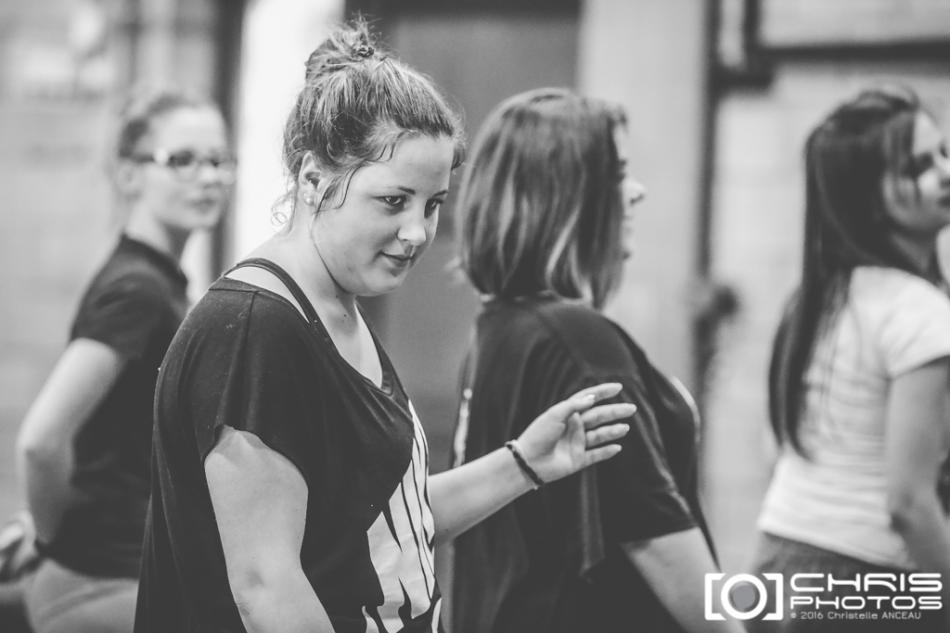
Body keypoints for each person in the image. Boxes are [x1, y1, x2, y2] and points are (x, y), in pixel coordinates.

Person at [133, 22, 633, 633]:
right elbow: (266, 587)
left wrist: (523, 463)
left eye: (433, 204)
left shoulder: (337, 305)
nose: (418, 232)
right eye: (394, 201)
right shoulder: (254, 328)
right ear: (313, 180)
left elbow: (386, 526)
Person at [450, 88, 743, 633]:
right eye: (620, 175)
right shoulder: (578, 340)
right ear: (570, 199)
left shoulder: (499, 328)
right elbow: (652, 533)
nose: (637, 192)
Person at [13, 88, 234, 633]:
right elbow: (41, 442)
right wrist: (56, 542)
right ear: (129, 174)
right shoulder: (138, 290)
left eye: (217, 160)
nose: (208, 177)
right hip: (103, 582)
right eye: (182, 160)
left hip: (129, 573)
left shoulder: (158, 283)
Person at [750, 86, 950, 632]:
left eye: (943, 153)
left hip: (771, 561)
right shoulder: (918, 312)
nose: (945, 173)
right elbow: (908, 504)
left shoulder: (816, 299)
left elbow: (776, 447)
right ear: (869, 201)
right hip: (858, 578)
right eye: (917, 166)